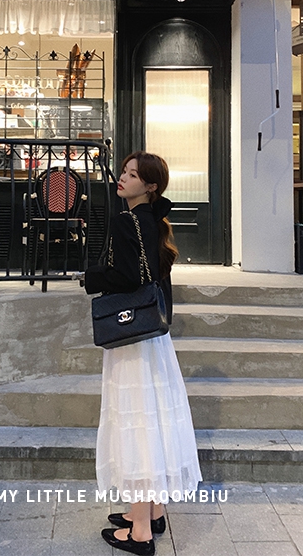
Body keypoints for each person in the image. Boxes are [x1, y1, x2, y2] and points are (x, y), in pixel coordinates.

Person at [81, 151, 202, 555]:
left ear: (149, 186)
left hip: (131, 335)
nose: (122, 177)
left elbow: (129, 276)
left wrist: (92, 276)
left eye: (132, 175)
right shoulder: (152, 220)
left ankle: (140, 534)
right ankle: (151, 512)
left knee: (137, 424)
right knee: (152, 419)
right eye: (124, 171)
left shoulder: (127, 221)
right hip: (152, 334)